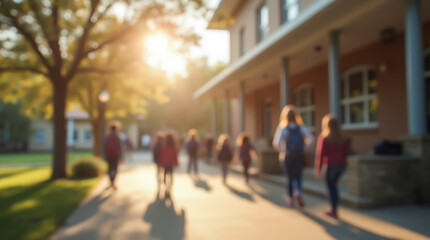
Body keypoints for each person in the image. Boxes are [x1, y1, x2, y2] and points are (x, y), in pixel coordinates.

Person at [273, 105, 314, 208]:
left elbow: (276, 143)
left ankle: (290, 199)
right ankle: (298, 191)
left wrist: (283, 151)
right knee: (298, 177)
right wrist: (304, 149)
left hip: (287, 156)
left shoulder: (283, 128)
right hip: (299, 156)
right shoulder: (301, 127)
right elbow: (311, 139)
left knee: (289, 178)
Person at [315, 114, 348, 218]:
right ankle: (334, 209)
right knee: (334, 187)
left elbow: (320, 155)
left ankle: (333, 210)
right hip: (340, 166)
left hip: (330, 166)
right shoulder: (342, 139)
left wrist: (318, 168)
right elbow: (346, 154)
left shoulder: (325, 138)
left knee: (331, 188)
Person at [103, 121, 124, 190]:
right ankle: (113, 182)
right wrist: (121, 156)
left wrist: (104, 155)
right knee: (115, 169)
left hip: (108, 156)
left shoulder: (107, 137)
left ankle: (110, 181)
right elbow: (120, 148)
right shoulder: (118, 137)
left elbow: (104, 147)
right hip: (116, 156)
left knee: (109, 169)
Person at [159, 131, 179, 198]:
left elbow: (162, 155)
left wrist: (161, 163)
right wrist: (176, 163)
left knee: (165, 175)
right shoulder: (174, 146)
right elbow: (175, 155)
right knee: (170, 176)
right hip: (171, 163)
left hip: (165, 163)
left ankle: (166, 188)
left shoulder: (164, 146)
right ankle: (169, 188)